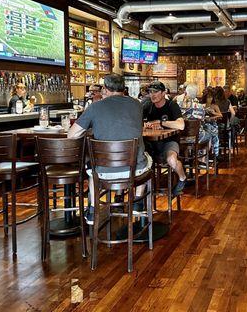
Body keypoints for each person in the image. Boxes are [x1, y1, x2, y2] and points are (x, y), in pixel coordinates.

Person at [67, 74, 151, 224]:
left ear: (105, 89)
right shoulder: (137, 104)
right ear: (123, 88)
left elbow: (72, 135)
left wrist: (90, 130)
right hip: (134, 170)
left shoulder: (95, 106)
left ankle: (93, 210)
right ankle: (137, 201)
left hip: (104, 173)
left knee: (92, 168)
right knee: (146, 156)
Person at [142, 81, 187, 195]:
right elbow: (138, 121)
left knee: (171, 160)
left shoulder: (171, 105)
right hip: (151, 143)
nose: (152, 95)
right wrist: (145, 124)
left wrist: (161, 122)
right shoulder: (148, 106)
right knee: (139, 160)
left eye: (156, 92)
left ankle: (182, 178)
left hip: (169, 141)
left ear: (163, 93)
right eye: (150, 92)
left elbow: (181, 125)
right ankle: (144, 193)